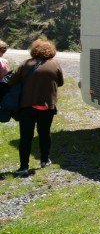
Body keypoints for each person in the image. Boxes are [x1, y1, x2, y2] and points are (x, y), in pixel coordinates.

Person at [9, 39, 64, 177]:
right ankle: (44, 160)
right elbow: (61, 82)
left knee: (26, 137)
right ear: (51, 51)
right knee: (44, 134)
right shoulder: (55, 64)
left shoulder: (26, 64)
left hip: (27, 105)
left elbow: (11, 81)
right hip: (47, 106)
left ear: (34, 50)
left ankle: (23, 167)